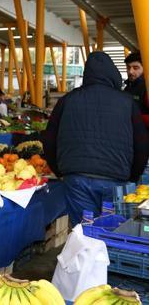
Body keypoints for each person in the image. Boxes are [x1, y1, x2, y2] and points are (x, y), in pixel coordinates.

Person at [44, 51, 149, 225]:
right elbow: (142, 144)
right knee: (112, 231)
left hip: (76, 178)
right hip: (115, 180)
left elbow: (49, 140)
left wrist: (60, 171)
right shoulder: (127, 102)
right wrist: (132, 176)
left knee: (84, 231)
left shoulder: (68, 100)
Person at [124, 52, 149, 126]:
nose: (130, 71)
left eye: (135, 68)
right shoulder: (127, 87)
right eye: (128, 67)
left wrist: (133, 118)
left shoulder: (147, 88)